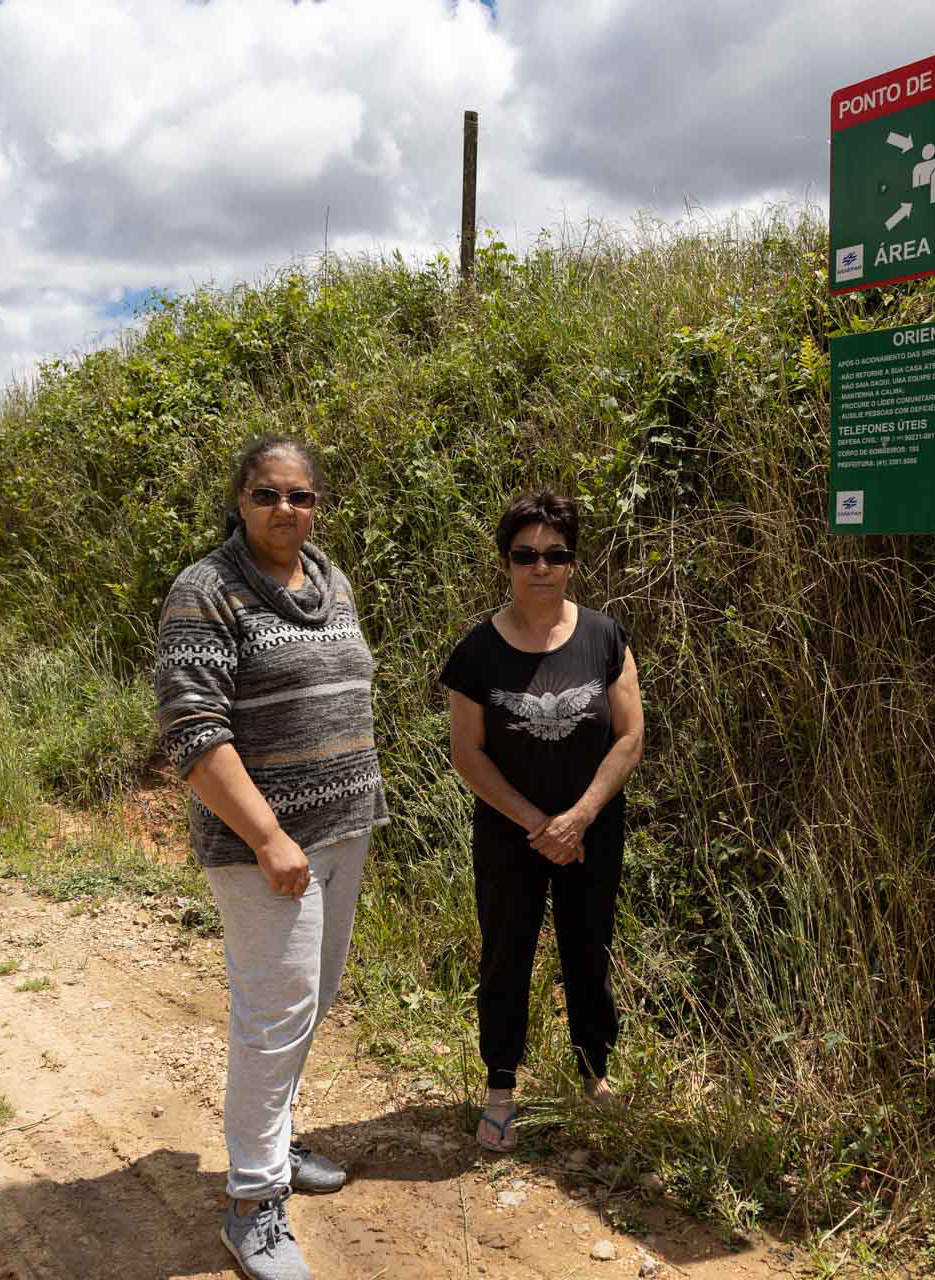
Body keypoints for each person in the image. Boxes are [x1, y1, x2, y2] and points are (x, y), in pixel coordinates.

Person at [154, 434, 386, 1280]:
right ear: (240, 501)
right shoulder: (206, 590)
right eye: (267, 494)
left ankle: (277, 1145)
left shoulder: (329, 579)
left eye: (300, 495)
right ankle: (252, 1204)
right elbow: (193, 733)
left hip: (343, 828)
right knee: (273, 1017)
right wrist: (267, 836)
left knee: (309, 1001)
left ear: (317, 504)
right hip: (265, 850)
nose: (285, 508)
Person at [438, 491, 644, 1153]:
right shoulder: (476, 652)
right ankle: (501, 1088)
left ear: (573, 562)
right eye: (525, 555)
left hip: (592, 831)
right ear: (505, 562)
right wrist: (539, 825)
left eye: (556, 554)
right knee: (506, 954)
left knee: (589, 949)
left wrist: (579, 817)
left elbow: (630, 735)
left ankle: (594, 1075)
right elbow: (467, 754)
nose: (541, 567)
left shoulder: (604, 637)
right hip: (509, 832)